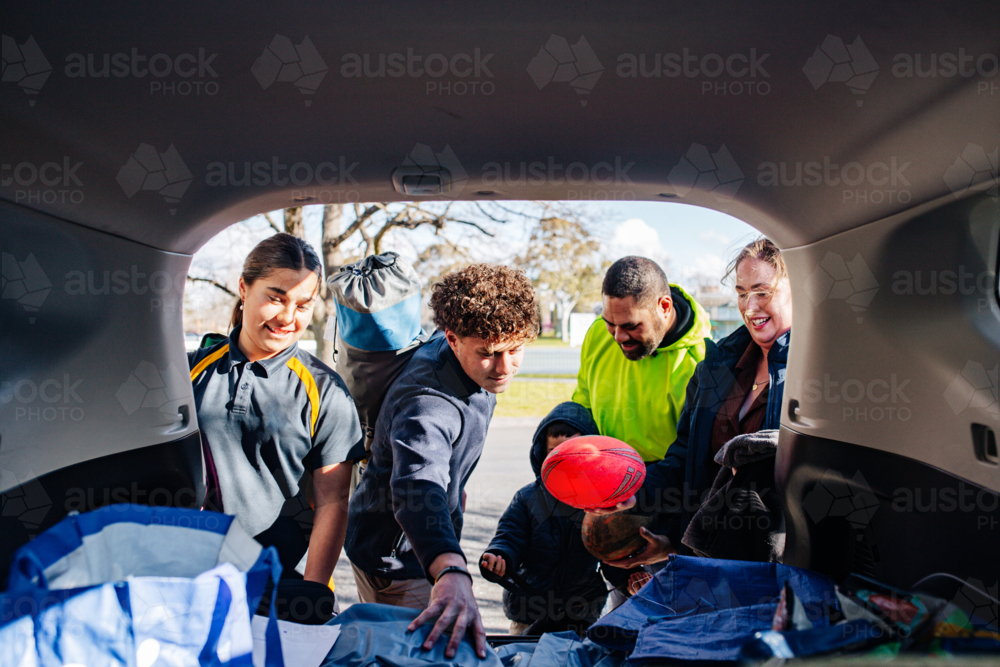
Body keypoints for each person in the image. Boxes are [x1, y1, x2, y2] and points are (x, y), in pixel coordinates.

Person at [344, 264, 539, 660]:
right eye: (488, 353)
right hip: (401, 563)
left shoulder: (471, 366)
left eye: (515, 350)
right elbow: (417, 487)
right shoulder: (427, 402)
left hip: (405, 546)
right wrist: (450, 569)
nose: (504, 368)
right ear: (451, 338)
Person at [596, 237, 793, 580]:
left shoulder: (817, 373)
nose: (749, 306)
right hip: (704, 565)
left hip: (775, 571)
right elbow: (684, 464)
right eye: (741, 292)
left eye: (763, 292)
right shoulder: (714, 369)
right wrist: (633, 497)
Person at [188, 233, 365, 590]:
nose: (288, 318)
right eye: (275, 298)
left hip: (285, 584)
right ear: (243, 288)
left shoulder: (326, 392)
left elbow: (333, 503)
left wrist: (313, 591)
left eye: (303, 305)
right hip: (193, 575)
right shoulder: (188, 370)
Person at [479, 402, 608, 637]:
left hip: (581, 615)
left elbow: (610, 551)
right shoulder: (528, 497)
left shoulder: (599, 501)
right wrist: (500, 557)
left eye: (575, 452)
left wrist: (630, 574)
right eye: (556, 453)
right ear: (542, 455)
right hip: (529, 613)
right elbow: (510, 536)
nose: (566, 461)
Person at [572, 256, 711, 463]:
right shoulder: (597, 333)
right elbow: (582, 402)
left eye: (631, 326)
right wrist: (565, 425)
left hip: (661, 487)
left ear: (664, 307)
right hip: (597, 471)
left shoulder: (702, 363)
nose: (618, 336)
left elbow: (695, 456)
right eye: (610, 322)